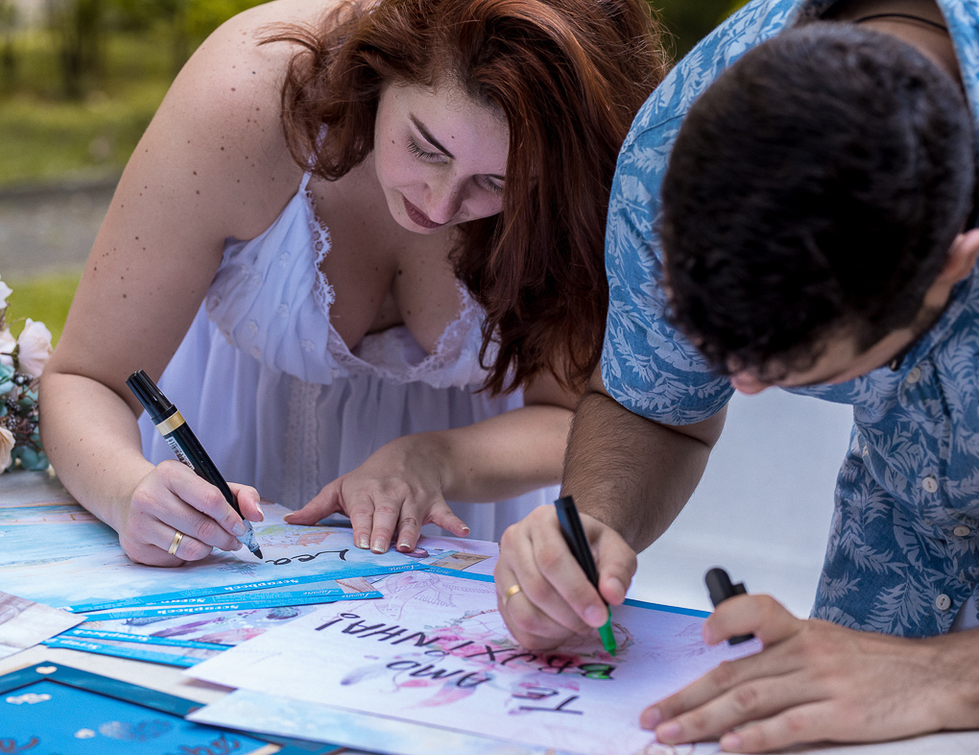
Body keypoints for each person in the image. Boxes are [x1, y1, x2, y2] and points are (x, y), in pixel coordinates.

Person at [493, 0, 979, 755]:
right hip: (873, 629)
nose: (744, 387)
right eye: (722, 350)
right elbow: (656, 407)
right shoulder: (673, 148)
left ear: (952, 266)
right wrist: (589, 532)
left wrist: (932, 677)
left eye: (799, 371)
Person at [39, 0, 666, 566]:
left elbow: (580, 418)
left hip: (453, 524)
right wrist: (130, 491)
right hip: (221, 510)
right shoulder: (247, 98)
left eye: (497, 184)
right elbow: (87, 377)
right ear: (384, 63)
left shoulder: (582, 179)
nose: (441, 209)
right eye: (426, 148)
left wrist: (437, 460)